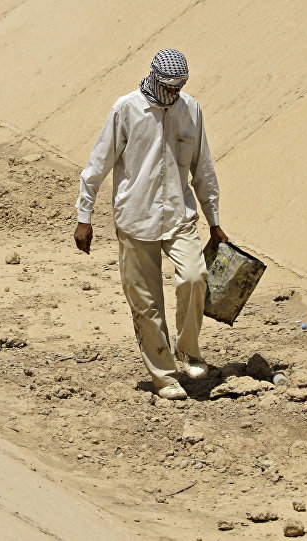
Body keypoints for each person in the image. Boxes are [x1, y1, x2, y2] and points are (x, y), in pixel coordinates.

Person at [73, 48, 228, 400]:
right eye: (170, 87)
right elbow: (96, 166)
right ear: (156, 80)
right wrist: (85, 217)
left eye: (180, 87)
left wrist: (214, 221)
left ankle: (188, 349)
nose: (175, 93)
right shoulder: (126, 109)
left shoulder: (191, 110)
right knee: (145, 303)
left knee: (194, 277)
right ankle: (164, 376)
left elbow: (203, 168)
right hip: (135, 217)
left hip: (179, 215)